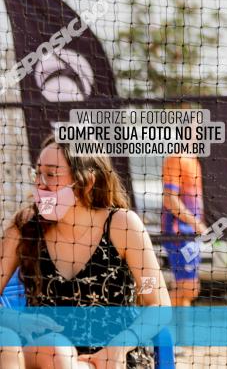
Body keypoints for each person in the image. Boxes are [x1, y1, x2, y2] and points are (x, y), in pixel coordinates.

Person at [0, 134, 171, 368]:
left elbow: (157, 305)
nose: (40, 183)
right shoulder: (25, 226)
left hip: (111, 359)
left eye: (50, 174)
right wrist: (14, 319)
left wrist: (119, 347)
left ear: (87, 182)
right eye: (37, 173)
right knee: (21, 342)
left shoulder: (123, 226)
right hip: (45, 355)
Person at [160, 143, 206, 307]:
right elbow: (169, 199)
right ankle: (142, 321)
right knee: (189, 289)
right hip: (178, 234)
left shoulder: (195, 161)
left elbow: (196, 203)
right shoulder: (176, 159)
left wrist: (200, 224)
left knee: (186, 292)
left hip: (191, 235)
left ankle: (183, 334)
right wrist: (197, 223)